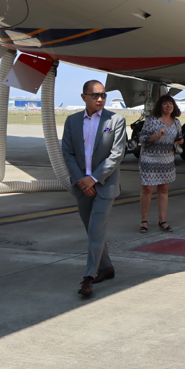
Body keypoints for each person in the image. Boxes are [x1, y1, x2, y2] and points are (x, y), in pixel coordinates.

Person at [61, 80, 128, 297]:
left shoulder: (115, 120)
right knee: (92, 231)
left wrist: (94, 179)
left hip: (104, 185)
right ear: (83, 97)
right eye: (95, 95)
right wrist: (82, 180)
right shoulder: (71, 122)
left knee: (96, 230)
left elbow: (116, 154)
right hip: (82, 186)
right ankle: (107, 268)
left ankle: (89, 277)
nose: (100, 99)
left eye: (103, 95)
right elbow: (68, 153)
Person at [138, 94, 183, 233]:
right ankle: (144, 221)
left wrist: (180, 141)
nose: (168, 106)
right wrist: (157, 135)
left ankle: (162, 220)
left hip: (167, 160)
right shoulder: (152, 121)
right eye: (165, 104)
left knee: (163, 190)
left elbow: (180, 138)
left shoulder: (176, 122)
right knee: (148, 189)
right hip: (150, 159)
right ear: (160, 106)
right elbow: (142, 138)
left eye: (171, 103)